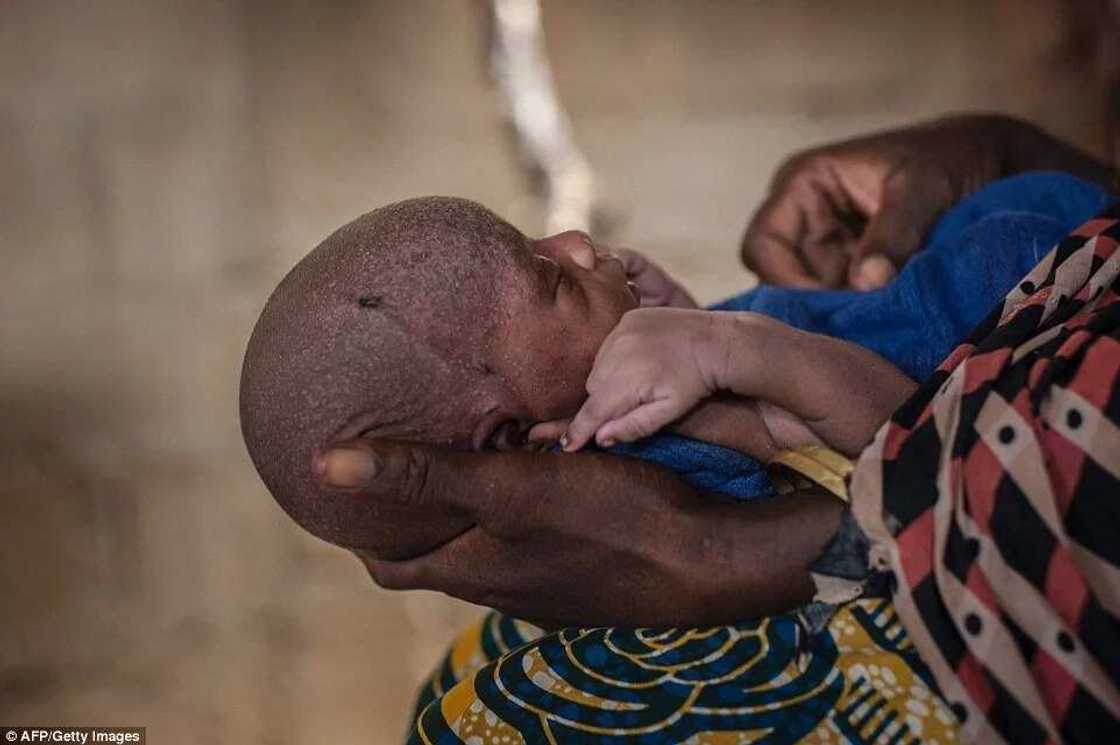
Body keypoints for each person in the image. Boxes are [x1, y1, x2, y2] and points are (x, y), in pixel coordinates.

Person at [296, 114, 1120, 743]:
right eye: (550, 278)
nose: (581, 242)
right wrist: (733, 345)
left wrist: (697, 331)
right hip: (999, 289)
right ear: (514, 443)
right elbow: (899, 432)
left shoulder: (627, 470)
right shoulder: (658, 467)